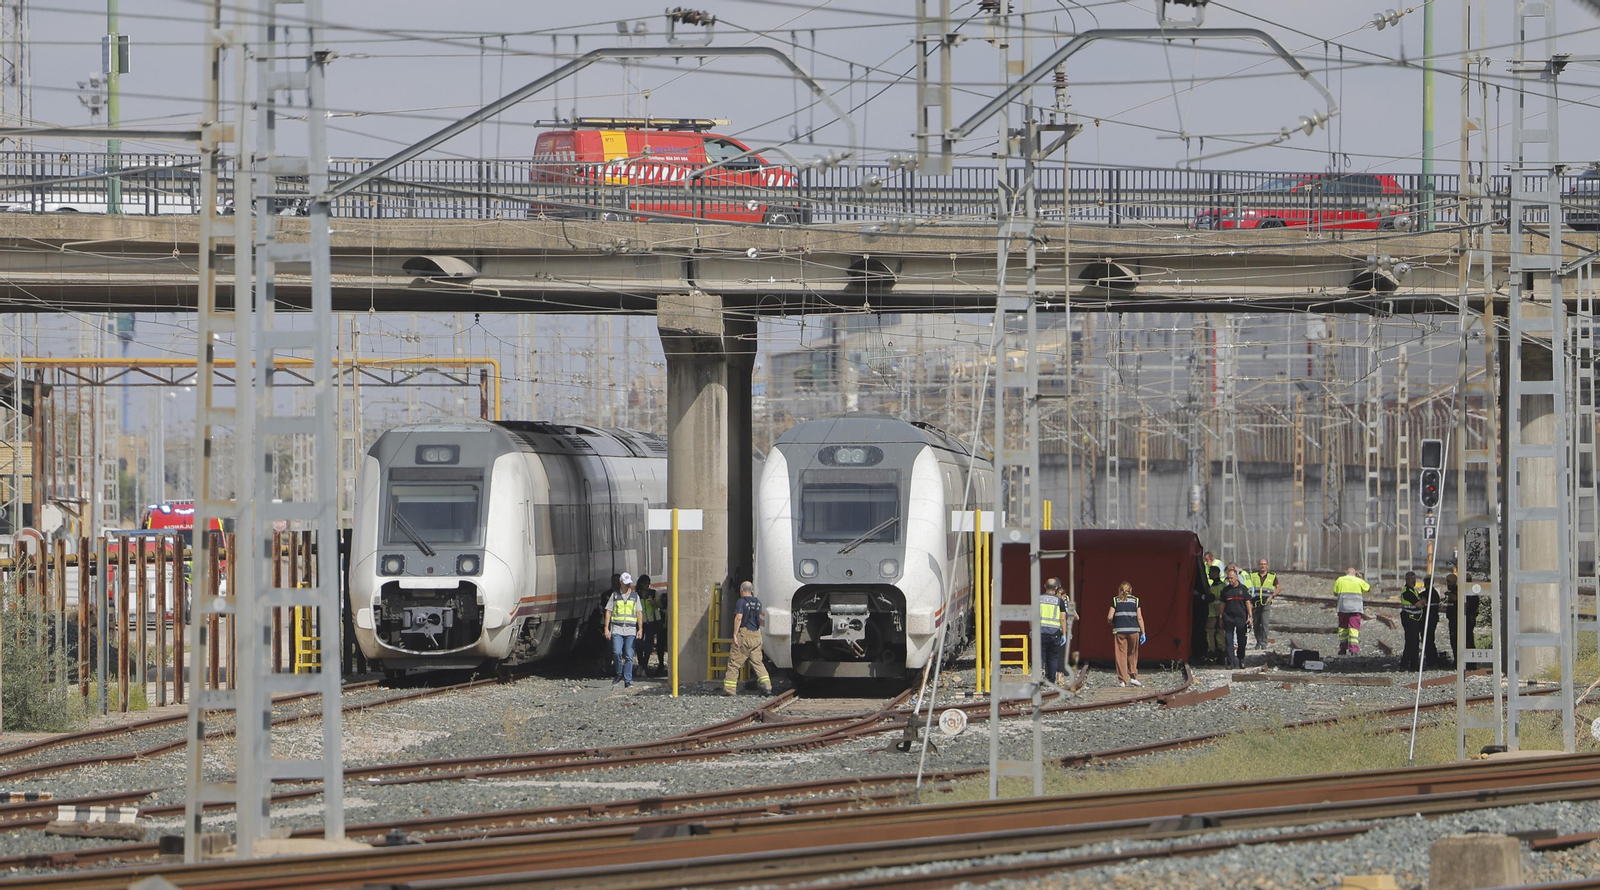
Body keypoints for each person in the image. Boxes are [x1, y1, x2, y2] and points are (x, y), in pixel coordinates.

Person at [723, 581, 773, 696]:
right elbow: (761, 620)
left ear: (741, 589)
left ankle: (729, 690)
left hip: (744, 635)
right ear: (751, 590)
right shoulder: (758, 602)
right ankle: (767, 687)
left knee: (734, 663)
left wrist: (735, 635)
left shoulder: (741, 602)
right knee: (757, 662)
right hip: (756, 635)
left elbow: (738, 618)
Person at [603, 572, 643, 688]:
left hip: (630, 629)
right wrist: (606, 629)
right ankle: (619, 673)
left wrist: (640, 629)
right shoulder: (614, 596)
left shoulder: (635, 596)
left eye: (629, 583)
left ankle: (627, 679)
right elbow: (608, 612)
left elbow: (639, 613)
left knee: (629, 655)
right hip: (617, 629)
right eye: (626, 583)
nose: (628, 586)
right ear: (621, 583)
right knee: (617, 652)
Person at [1106, 582, 1146, 687]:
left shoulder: (1115, 600)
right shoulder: (1136, 601)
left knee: (1120, 655)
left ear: (1119, 590)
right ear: (1131, 590)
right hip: (1134, 631)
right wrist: (1143, 632)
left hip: (1120, 631)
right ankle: (1133, 677)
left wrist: (1112, 622)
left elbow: (1110, 616)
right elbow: (1139, 618)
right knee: (1133, 654)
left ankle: (1122, 680)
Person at [1219, 566, 1252, 669]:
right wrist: (1221, 617)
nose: (1230, 580)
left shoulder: (1243, 589)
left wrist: (1250, 616)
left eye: (1232, 578)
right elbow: (1222, 604)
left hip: (1241, 618)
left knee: (1242, 640)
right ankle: (1230, 662)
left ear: (1236, 578)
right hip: (1229, 617)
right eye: (1228, 578)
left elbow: (1248, 603)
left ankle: (1241, 659)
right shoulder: (1226, 590)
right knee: (1228, 640)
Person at [1333, 567, 1370, 656]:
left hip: (1343, 608)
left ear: (1346, 573)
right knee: (1354, 628)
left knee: (1343, 628)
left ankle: (1343, 648)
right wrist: (1361, 578)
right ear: (1355, 574)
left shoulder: (1340, 580)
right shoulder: (1358, 581)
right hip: (1356, 609)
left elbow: (1335, 592)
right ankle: (1354, 650)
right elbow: (1367, 588)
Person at [1040, 577, 1069, 685]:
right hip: (1054, 633)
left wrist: (1031, 630)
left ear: (1044, 586)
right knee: (1052, 657)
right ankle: (1051, 680)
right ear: (1056, 588)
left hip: (1040, 632)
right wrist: (1064, 634)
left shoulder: (1038, 599)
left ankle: (1039, 677)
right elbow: (1063, 618)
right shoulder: (1059, 601)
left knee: (1040, 656)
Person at [1245, 558, 1278, 650]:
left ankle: (1263, 641)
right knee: (1256, 623)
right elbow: (1249, 586)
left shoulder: (1272, 576)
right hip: (1255, 602)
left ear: (1267, 565)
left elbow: (1278, 587)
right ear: (1258, 565)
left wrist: (1272, 596)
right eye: (1261, 564)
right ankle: (1258, 641)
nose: (1262, 566)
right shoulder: (1253, 575)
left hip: (1266, 602)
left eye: (1264, 564)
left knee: (1265, 623)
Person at [1398, 571, 1426, 670]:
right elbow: (1419, 604)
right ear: (1406, 580)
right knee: (1411, 643)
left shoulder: (1413, 590)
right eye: (1411, 579)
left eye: (1414, 579)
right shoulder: (1407, 592)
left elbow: (1420, 601)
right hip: (1410, 620)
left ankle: (1413, 665)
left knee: (1414, 643)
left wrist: (1421, 602)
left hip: (1414, 619)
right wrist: (1422, 603)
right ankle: (1406, 665)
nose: (1413, 581)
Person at [1206, 564, 1226, 662]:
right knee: (1220, 632)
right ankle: (1221, 651)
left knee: (1210, 631)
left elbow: (1210, 599)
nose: (1209, 574)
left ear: (1215, 573)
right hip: (1220, 613)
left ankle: (1212, 651)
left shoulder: (1215, 587)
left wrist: (1198, 595)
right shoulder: (1223, 586)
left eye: (1210, 572)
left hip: (1213, 613)